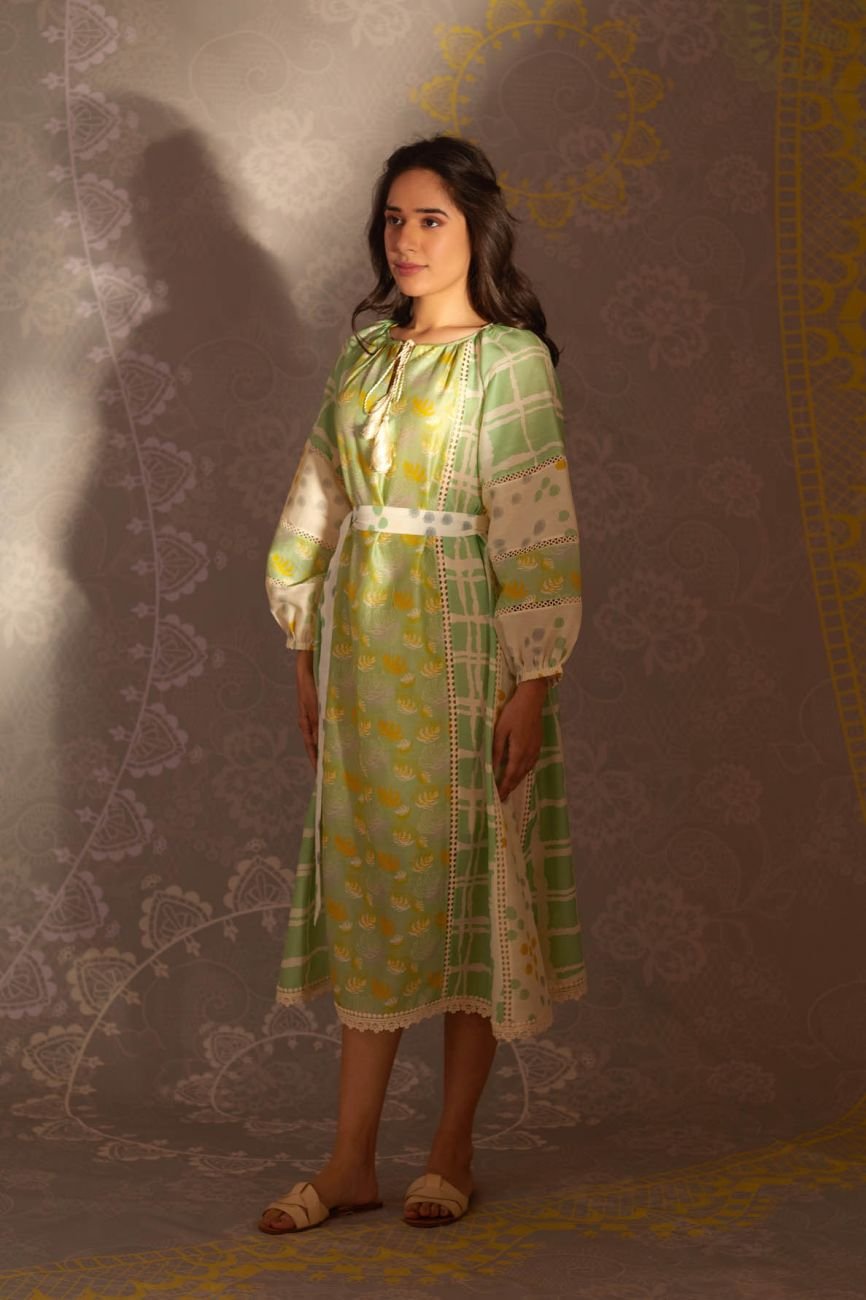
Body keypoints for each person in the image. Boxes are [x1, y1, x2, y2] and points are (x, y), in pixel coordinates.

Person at [258, 134, 585, 1233]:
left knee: (466, 887)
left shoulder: (508, 362)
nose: (405, 239)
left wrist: (532, 680)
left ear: (474, 229)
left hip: (464, 653)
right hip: (361, 657)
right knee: (372, 891)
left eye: (429, 219)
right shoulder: (363, 357)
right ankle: (350, 1160)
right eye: (393, 219)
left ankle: (451, 1149)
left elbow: (535, 521)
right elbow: (318, 497)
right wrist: (303, 648)